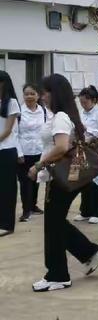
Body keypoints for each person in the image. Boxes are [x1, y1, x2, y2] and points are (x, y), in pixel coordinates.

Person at [27, 74, 98, 292]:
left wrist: (38, 165)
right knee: (55, 224)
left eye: (45, 92)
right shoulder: (62, 115)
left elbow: (62, 147)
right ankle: (90, 254)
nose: (42, 97)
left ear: (55, 93)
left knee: (53, 225)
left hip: (60, 177)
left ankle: (58, 275)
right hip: (59, 177)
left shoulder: (61, 116)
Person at [73, 85, 98, 225]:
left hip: (94, 149)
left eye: (85, 102)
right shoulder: (81, 113)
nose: (83, 105)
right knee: (83, 180)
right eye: (81, 102)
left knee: (97, 181)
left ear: (93, 100)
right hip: (81, 150)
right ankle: (85, 211)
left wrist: (88, 129)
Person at [16, 84, 48, 222]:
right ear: (23, 96)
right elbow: (14, 134)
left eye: (32, 94)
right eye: (26, 94)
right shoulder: (19, 112)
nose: (29, 96)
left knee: (36, 180)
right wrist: (18, 153)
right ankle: (26, 210)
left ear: (38, 96)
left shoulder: (44, 111)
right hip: (24, 152)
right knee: (25, 182)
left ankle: (33, 206)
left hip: (39, 151)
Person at [0, 71, 21, 237]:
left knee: (7, 189)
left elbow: (7, 130)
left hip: (6, 150)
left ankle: (7, 224)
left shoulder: (12, 102)